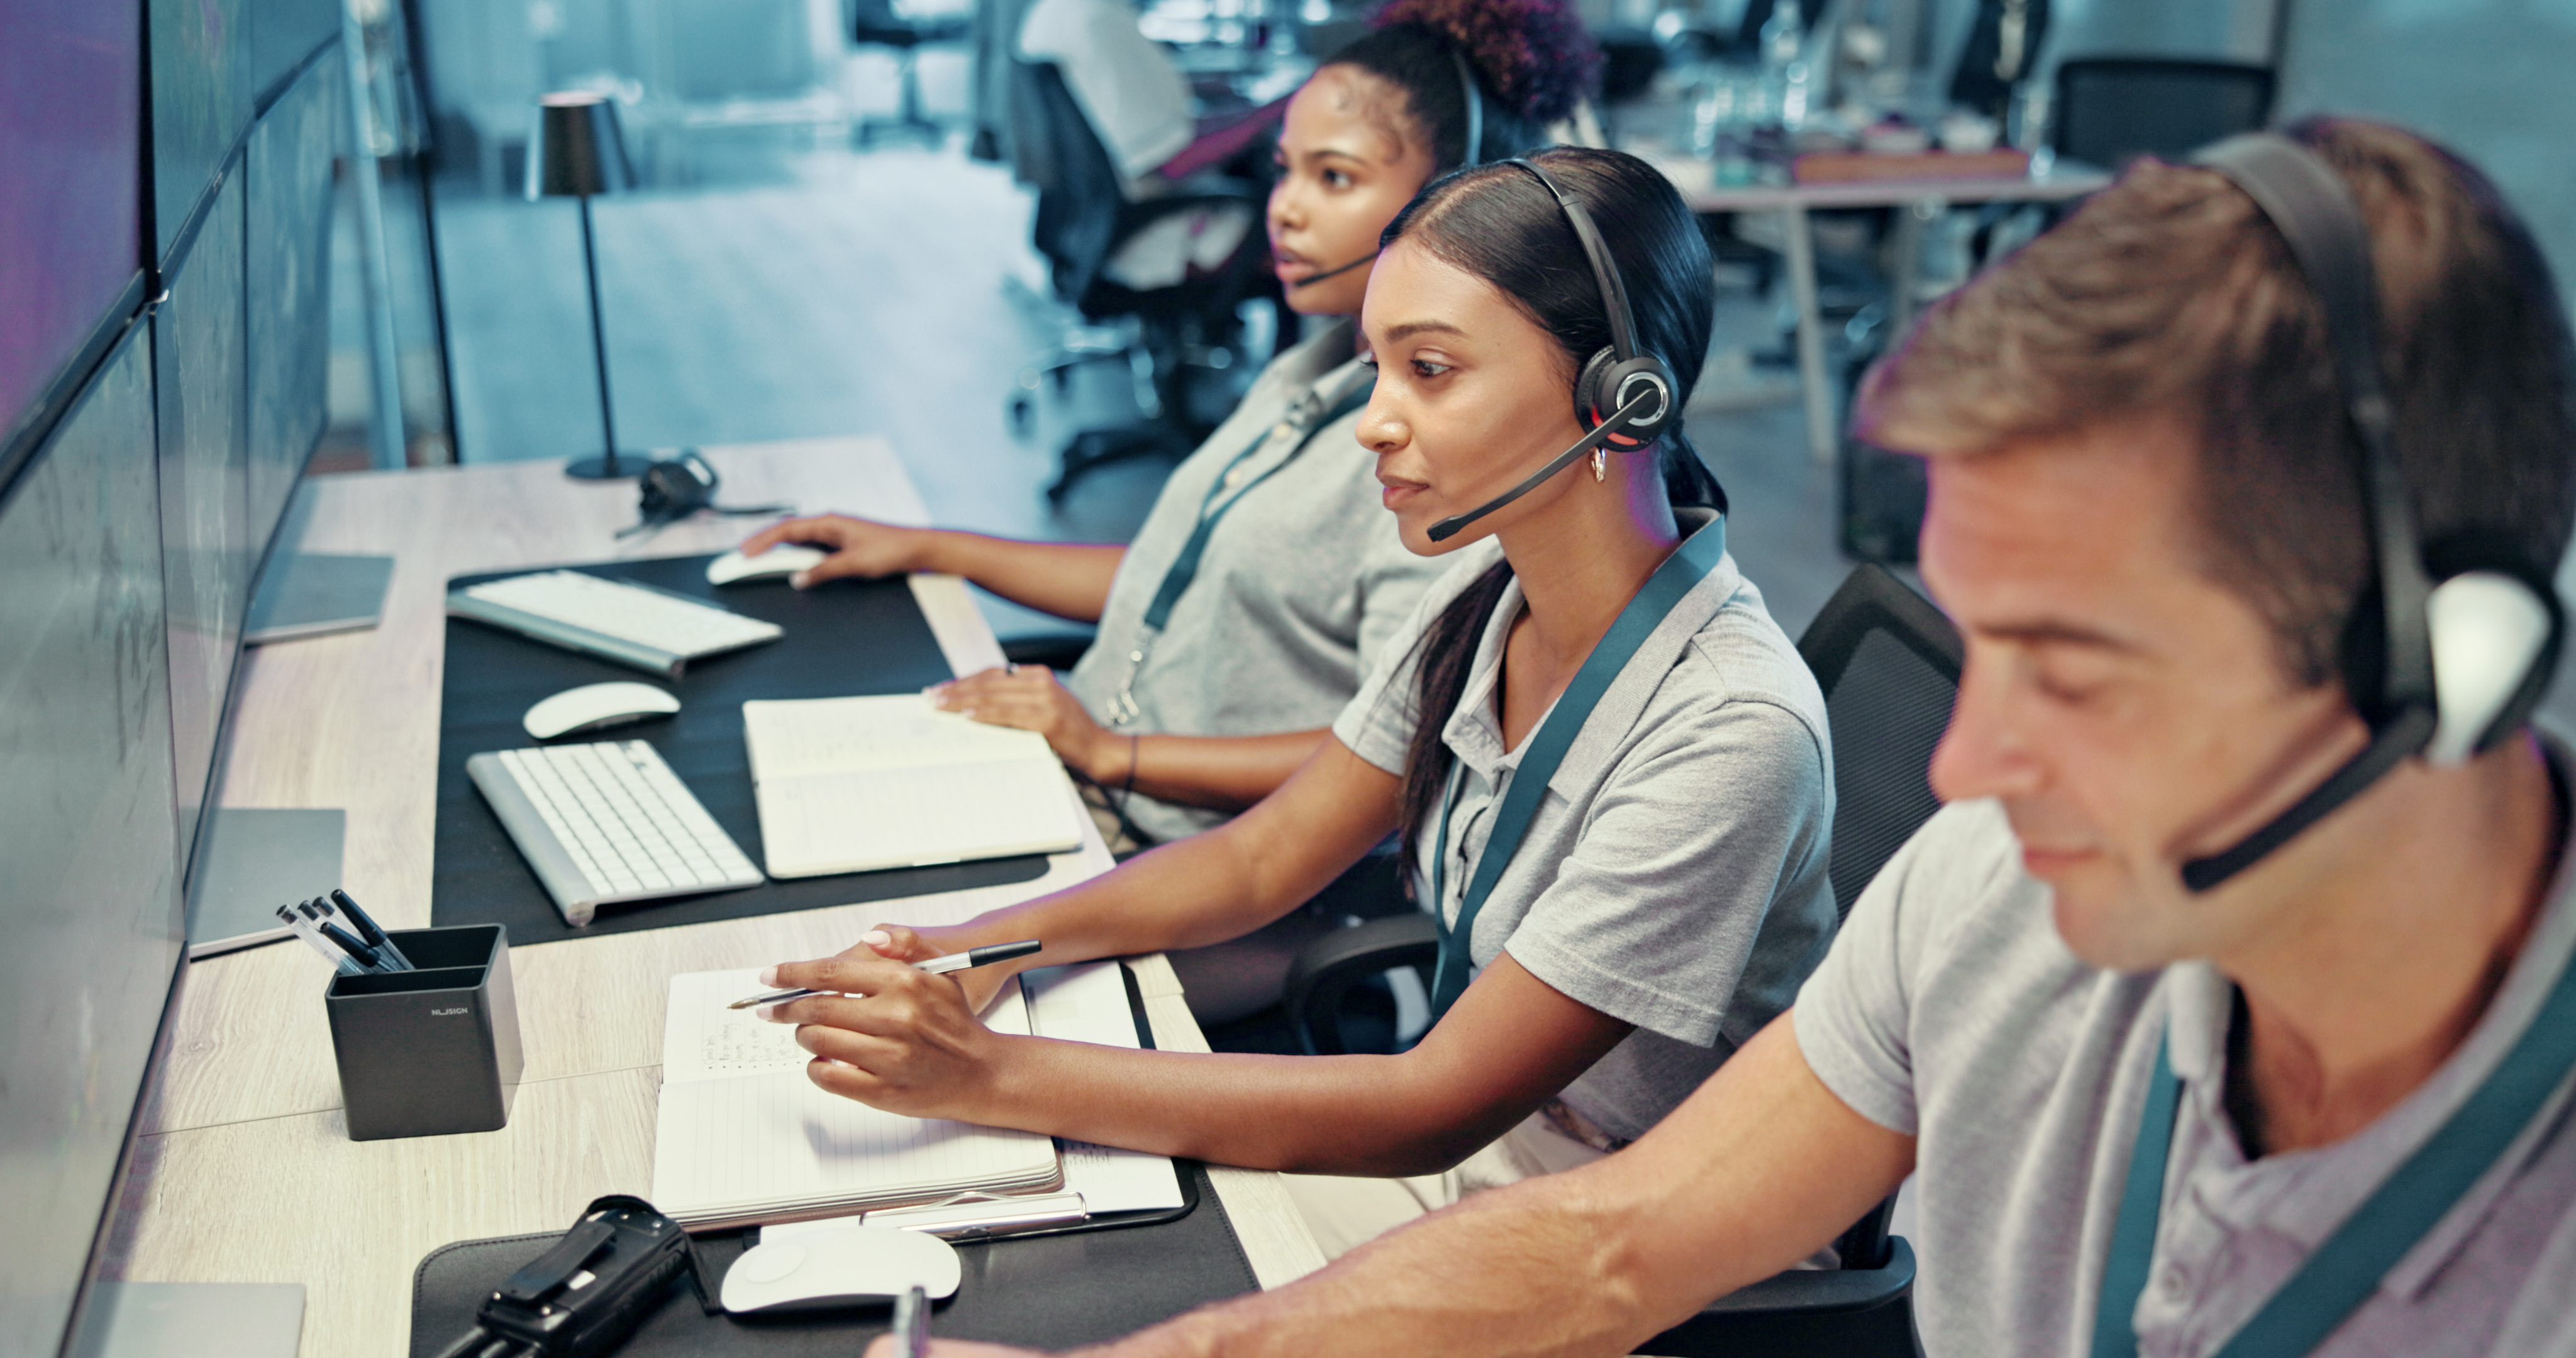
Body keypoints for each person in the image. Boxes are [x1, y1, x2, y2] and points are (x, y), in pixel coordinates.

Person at [862, 119, 2576, 1358]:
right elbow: (1609, 1247)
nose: (1967, 772)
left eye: (2081, 668)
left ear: (2456, 663)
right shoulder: (1995, 903)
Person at [758, 146, 1839, 1259]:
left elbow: (1434, 1107)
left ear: (1622, 395)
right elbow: (1260, 863)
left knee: (1065, 1259)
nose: (1375, 420)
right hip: (1496, 1156)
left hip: (1640, 1225)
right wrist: (975, 951)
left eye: (1430, 369)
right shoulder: (1490, 596)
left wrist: (987, 1073)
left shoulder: (1728, 731)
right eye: (1377, 367)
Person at [740, 0, 1601, 1020]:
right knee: (789, 892)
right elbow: (1175, 571)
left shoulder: (1431, 473)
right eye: (1283, 170)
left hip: (1196, 862)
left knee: (866, 980)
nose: (1282, 209)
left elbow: (1383, 752)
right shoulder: (1311, 371)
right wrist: (934, 545)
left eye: (1335, 178)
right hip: (1087, 797)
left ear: (1451, 209)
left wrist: (1116, 753)